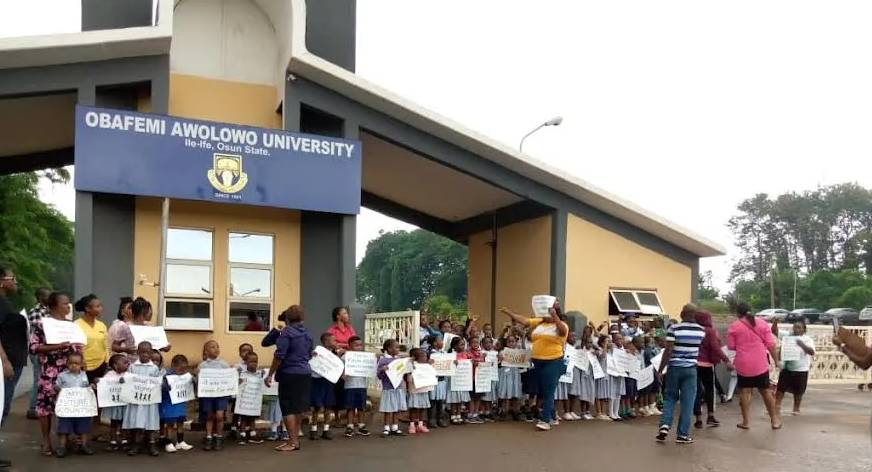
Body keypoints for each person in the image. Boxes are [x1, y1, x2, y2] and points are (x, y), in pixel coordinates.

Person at [500, 299, 569, 431]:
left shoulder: (562, 325)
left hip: (553, 361)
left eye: (547, 313)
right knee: (543, 390)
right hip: (537, 361)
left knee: (548, 391)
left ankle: (545, 420)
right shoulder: (540, 323)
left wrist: (555, 317)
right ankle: (553, 415)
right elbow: (525, 321)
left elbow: (562, 332)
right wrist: (509, 313)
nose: (543, 315)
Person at [30, 291, 82, 456]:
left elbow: (77, 346)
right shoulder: (41, 324)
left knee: (70, 406)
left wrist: (82, 360)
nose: (68, 306)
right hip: (50, 373)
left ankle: (66, 440)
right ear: (53, 306)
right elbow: (34, 347)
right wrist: (57, 346)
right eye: (65, 303)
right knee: (45, 408)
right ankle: (46, 441)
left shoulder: (71, 324)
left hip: (71, 373)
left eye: (69, 303)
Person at [655, 303, 706, 444]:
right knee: (688, 402)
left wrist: (660, 370)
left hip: (674, 368)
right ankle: (682, 435)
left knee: (670, 397)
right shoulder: (701, 331)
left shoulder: (674, 328)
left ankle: (664, 425)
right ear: (695, 315)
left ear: (682, 314)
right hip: (691, 370)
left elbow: (668, 351)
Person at [727, 302, 781, 430]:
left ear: (738, 313)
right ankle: (774, 421)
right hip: (760, 364)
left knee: (745, 392)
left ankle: (746, 422)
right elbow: (771, 344)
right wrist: (777, 361)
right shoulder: (762, 324)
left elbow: (731, 346)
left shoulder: (734, 327)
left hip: (743, 364)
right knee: (766, 391)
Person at [266, 305, 313, 453]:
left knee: (287, 409)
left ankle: (292, 442)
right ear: (303, 318)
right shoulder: (308, 334)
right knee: (298, 408)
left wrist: (270, 374)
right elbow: (310, 353)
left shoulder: (286, 333)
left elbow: (279, 356)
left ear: (287, 318)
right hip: (305, 373)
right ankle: (295, 440)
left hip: (289, 373)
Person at [693, 310, 733, 429]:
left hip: (694, 364)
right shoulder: (710, 331)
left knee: (697, 391)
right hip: (707, 365)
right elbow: (716, 348)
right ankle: (710, 416)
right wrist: (726, 360)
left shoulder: (694, 330)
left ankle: (698, 419)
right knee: (710, 390)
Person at [122, 341, 161, 456]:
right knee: (137, 422)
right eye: (142, 352)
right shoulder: (132, 367)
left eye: (148, 352)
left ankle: (152, 444)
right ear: (138, 352)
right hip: (136, 400)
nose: (145, 355)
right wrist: (123, 380)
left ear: (151, 353)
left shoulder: (154, 368)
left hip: (149, 401)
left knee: (150, 422)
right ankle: (136, 444)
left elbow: (156, 382)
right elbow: (127, 380)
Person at [53, 352, 96, 458]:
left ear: (81, 364)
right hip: (67, 407)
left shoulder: (84, 375)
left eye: (76, 363)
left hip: (81, 408)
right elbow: (56, 386)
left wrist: (91, 387)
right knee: (64, 427)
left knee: (83, 427)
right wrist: (58, 389)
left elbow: (87, 388)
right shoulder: (62, 376)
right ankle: (62, 446)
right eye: (71, 363)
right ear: (67, 363)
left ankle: (84, 445)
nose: (74, 365)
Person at [0, 267, 27, 427]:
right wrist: (4, 361)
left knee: (5, 403)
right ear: (2, 282)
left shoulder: (6, 302)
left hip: (14, 359)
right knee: (3, 403)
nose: (16, 281)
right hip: (6, 362)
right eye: (12, 278)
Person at [772, 320, 815, 415]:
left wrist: (802, 345)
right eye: (795, 327)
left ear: (804, 329)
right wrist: (775, 322)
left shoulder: (808, 339)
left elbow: (811, 352)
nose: (796, 329)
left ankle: (796, 408)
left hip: (801, 369)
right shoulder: (788, 335)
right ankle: (776, 406)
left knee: (798, 392)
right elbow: (774, 331)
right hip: (787, 367)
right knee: (780, 389)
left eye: (799, 327)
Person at [198, 340, 231, 451]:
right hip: (208, 396)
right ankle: (209, 437)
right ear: (206, 351)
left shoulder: (224, 364)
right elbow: (199, 380)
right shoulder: (202, 365)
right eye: (212, 347)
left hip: (221, 395)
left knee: (220, 416)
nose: (216, 349)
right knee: (209, 416)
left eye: (217, 346)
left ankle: (219, 437)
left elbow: (229, 378)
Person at [325, 306, 355, 422]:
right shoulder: (332, 330)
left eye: (347, 313)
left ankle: (347, 416)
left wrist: (344, 347)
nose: (347, 315)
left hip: (348, 358)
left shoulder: (350, 328)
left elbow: (354, 341)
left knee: (346, 385)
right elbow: (330, 343)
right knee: (336, 386)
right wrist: (344, 346)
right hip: (336, 359)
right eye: (345, 313)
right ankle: (336, 416)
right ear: (338, 316)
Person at [159, 354, 194, 453]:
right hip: (169, 404)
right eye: (180, 368)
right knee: (169, 423)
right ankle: (168, 442)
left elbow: (191, 384)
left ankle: (180, 441)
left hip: (180, 403)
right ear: (173, 365)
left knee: (180, 421)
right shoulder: (167, 376)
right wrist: (166, 387)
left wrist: (192, 380)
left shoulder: (185, 376)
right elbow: (161, 387)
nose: (182, 371)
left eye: (184, 369)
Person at [27, 287, 51, 420]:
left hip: (45, 348)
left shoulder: (48, 311)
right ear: (41, 298)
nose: (50, 298)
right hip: (38, 349)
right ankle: (33, 409)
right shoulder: (36, 312)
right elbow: (43, 331)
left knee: (43, 378)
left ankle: (40, 407)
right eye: (47, 296)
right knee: (38, 378)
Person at [73, 294, 109, 385]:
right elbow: (74, 347)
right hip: (83, 366)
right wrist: (80, 362)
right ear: (87, 309)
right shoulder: (76, 325)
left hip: (101, 365)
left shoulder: (101, 325)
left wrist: (107, 361)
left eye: (101, 306)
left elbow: (106, 345)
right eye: (97, 306)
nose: (101, 309)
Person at [377, 339, 408, 437]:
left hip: (398, 388)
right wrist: (382, 370)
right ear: (389, 349)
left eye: (399, 347)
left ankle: (395, 427)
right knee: (388, 409)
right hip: (388, 388)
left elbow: (403, 372)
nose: (398, 349)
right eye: (396, 347)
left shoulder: (399, 360)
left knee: (397, 409)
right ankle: (386, 428)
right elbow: (379, 375)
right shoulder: (383, 360)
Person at [310, 332, 337, 441]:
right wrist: (313, 355)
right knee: (316, 406)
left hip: (328, 381)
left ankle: (326, 429)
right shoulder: (317, 351)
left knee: (328, 405)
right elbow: (312, 362)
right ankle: (314, 429)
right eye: (333, 341)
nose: (335, 343)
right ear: (326, 342)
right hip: (317, 381)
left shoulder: (333, 354)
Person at [342, 336, 370, 438]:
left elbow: (370, 367)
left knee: (361, 406)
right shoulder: (345, 357)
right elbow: (340, 370)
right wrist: (344, 375)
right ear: (349, 346)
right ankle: (350, 426)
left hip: (362, 385)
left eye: (360, 345)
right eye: (356, 345)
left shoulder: (365, 357)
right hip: (350, 385)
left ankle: (361, 426)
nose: (359, 347)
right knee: (350, 407)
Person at [101, 354, 129, 452]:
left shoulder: (128, 374)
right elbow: (104, 384)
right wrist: (98, 381)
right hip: (114, 404)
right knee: (113, 423)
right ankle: (113, 441)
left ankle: (124, 441)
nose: (127, 364)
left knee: (124, 423)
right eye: (125, 363)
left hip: (124, 404)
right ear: (116, 365)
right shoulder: (109, 374)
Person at [237, 352, 265, 445]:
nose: (254, 363)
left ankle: (252, 434)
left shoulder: (259, 374)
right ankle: (242, 435)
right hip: (244, 401)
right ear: (246, 362)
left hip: (253, 402)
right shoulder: (242, 374)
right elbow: (238, 385)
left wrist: (263, 375)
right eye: (251, 361)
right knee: (244, 418)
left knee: (252, 418)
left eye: (255, 361)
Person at [445, 336, 471, 425]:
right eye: (461, 344)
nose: (463, 346)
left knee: (460, 399)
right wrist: (453, 362)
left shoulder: (466, 354)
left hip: (462, 380)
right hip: (454, 380)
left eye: (464, 344)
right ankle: (453, 415)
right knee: (454, 399)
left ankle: (459, 414)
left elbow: (468, 365)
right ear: (455, 346)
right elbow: (448, 365)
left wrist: (470, 363)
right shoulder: (451, 354)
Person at [406, 347, 432, 434]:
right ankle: (412, 425)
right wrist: (411, 367)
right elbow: (408, 378)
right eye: (422, 356)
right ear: (415, 357)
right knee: (414, 408)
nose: (425, 358)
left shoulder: (426, 366)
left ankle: (420, 425)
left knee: (422, 408)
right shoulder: (411, 365)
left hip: (423, 390)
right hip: (414, 391)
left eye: (425, 356)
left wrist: (430, 365)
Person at [497, 335, 523, 421]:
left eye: (513, 341)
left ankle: (516, 411)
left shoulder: (519, 352)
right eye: (509, 341)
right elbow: (498, 363)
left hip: (515, 375)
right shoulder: (502, 352)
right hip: (506, 375)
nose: (511, 343)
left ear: (516, 342)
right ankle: (504, 411)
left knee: (515, 393)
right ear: (506, 343)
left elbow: (523, 364)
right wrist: (500, 359)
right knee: (506, 393)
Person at [593, 335, 611, 421]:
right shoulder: (598, 350)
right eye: (607, 341)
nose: (608, 343)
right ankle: (598, 412)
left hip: (606, 374)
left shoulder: (608, 351)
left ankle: (603, 412)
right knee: (598, 394)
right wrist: (605, 347)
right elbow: (602, 356)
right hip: (599, 374)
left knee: (604, 394)